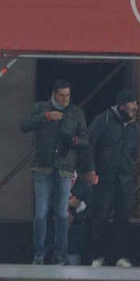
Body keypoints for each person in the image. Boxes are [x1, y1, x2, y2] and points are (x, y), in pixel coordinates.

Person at [19, 79, 89, 266]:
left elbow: (85, 140)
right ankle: (39, 255)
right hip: (43, 167)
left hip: (65, 169)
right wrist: (46, 116)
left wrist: (73, 141)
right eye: (62, 95)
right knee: (41, 212)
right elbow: (24, 125)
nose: (65, 99)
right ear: (54, 94)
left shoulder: (76, 112)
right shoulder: (41, 108)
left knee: (62, 213)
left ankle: (61, 256)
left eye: (68, 95)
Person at [86, 88, 140, 268]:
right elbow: (89, 145)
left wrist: (130, 166)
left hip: (124, 180)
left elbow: (134, 151)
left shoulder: (134, 126)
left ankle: (120, 257)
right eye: (133, 104)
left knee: (122, 219)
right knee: (99, 218)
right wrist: (91, 170)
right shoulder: (103, 120)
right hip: (104, 179)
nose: (136, 107)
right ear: (122, 105)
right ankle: (96, 256)